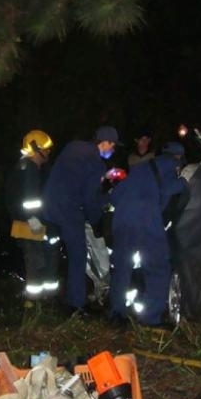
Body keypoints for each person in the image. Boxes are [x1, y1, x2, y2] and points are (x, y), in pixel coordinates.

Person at [42, 125, 120, 316]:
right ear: (106, 142)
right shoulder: (95, 162)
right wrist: (98, 219)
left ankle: (69, 299)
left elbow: (73, 180)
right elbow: (90, 198)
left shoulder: (74, 147)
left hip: (51, 206)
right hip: (69, 210)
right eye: (113, 146)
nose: (113, 150)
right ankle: (76, 305)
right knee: (78, 255)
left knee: (70, 253)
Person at [108, 141, 188, 327]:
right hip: (146, 219)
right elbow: (168, 190)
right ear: (179, 158)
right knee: (158, 268)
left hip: (121, 219)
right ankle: (151, 318)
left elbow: (115, 195)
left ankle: (116, 315)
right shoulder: (172, 167)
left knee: (122, 267)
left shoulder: (140, 167)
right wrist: (183, 183)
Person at [5, 130, 59, 304]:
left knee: (41, 263)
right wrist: (34, 219)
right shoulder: (29, 168)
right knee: (36, 266)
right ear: (36, 149)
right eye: (46, 149)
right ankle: (33, 305)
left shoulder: (27, 167)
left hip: (31, 224)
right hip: (30, 226)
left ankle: (42, 303)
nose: (48, 152)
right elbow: (29, 199)